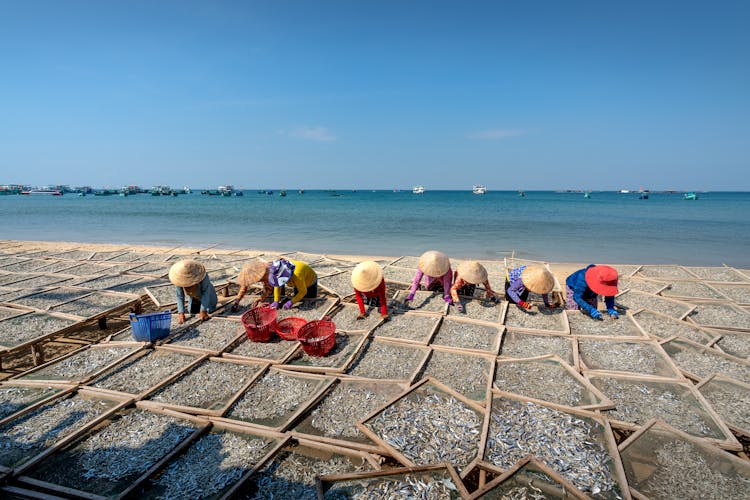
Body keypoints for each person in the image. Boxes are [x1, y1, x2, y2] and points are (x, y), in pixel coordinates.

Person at [169, 259, 218, 324]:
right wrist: (181, 313)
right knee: (192, 312)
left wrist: (203, 310)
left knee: (209, 310)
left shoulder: (202, 275)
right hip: (194, 297)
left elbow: (206, 293)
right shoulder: (179, 279)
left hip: (209, 296)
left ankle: (206, 308)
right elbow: (180, 296)